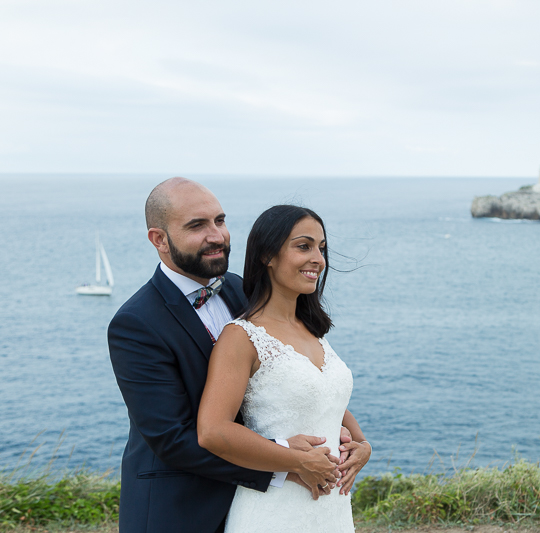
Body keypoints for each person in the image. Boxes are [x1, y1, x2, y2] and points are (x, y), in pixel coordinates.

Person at [108, 179, 354, 533]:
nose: (217, 236)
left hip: (264, 504)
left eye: (219, 221)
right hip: (180, 509)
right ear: (159, 239)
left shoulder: (241, 288)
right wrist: (288, 460)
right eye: (197, 225)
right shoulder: (135, 323)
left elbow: (285, 378)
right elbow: (172, 439)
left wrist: (350, 439)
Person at [197, 204, 371, 532]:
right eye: (303, 246)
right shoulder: (241, 337)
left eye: (321, 248)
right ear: (268, 255)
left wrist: (362, 447)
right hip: (273, 513)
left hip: (332, 512)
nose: (318, 259)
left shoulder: (312, 331)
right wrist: (296, 460)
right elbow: (213, 431)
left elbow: (327, 400)